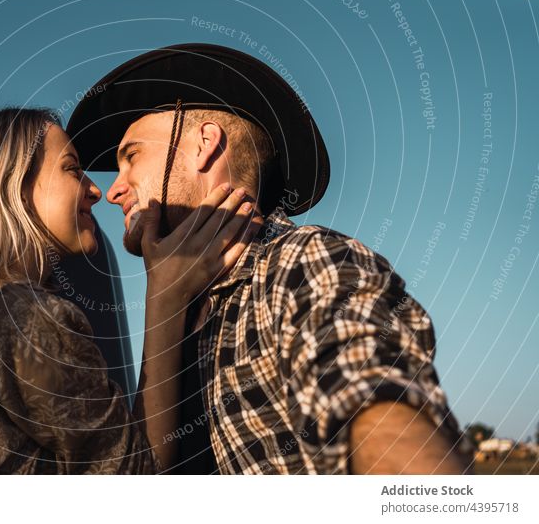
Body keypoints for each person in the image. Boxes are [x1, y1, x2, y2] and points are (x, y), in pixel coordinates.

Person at [67, 43, 476, 474]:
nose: (113, 190)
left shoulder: (302, 262)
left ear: (205, 144)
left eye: (131, 157)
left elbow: (373, 396)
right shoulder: (182, 310)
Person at [0, 107, 260, 474]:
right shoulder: (27, 319)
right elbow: (138, 480)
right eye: (72, 169)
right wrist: (166, 297)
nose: (97, 190)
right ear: (14, 187)